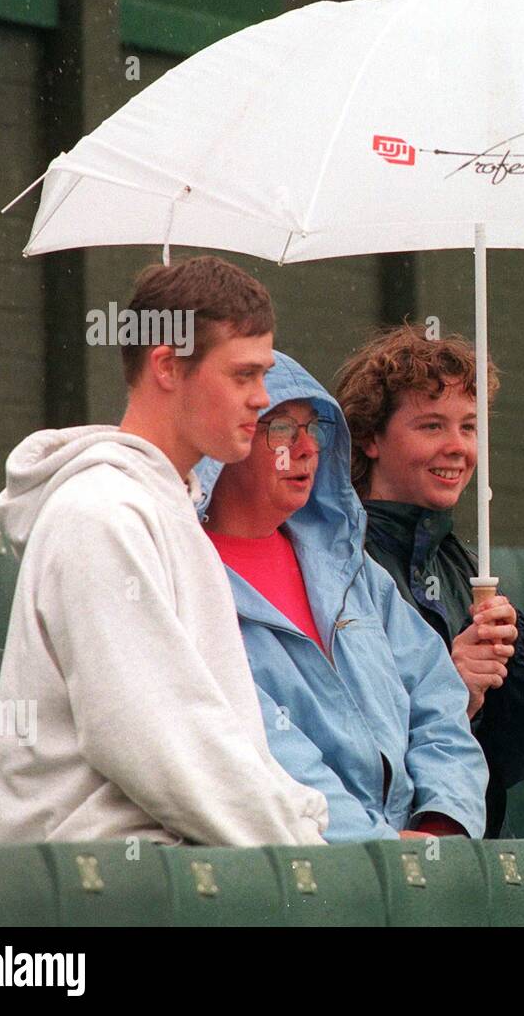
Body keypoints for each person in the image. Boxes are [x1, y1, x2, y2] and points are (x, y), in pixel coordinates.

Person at [0, 255, 329, 845]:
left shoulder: (170, 506)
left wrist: (300, 821)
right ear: (167, 366)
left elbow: (218, 739)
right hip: (93, 885)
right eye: (243, 376)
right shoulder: (100, 514)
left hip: (186, 863)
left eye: (263, 375)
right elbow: (157, 739)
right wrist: (303, 857)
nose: (261, 399)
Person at [196, 351, 487, 841]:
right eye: (283, 429)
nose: (308, 447)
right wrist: (379, 849)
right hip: (310, 878)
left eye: (316, 428)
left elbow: (437, 701)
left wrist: (442, 824)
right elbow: (259, 750)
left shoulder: (352, 570)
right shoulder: (190, 581)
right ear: (224, 440)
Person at [335, 325, 524, 836]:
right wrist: (450, 689)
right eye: (430, 426)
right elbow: (339, 735)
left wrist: (518, 663)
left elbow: (523, 747)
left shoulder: (467, 566)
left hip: (472, 852)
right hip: (384, 854)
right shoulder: (336, 562)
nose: (457, 448)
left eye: (469, 427)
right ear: (369, 438)